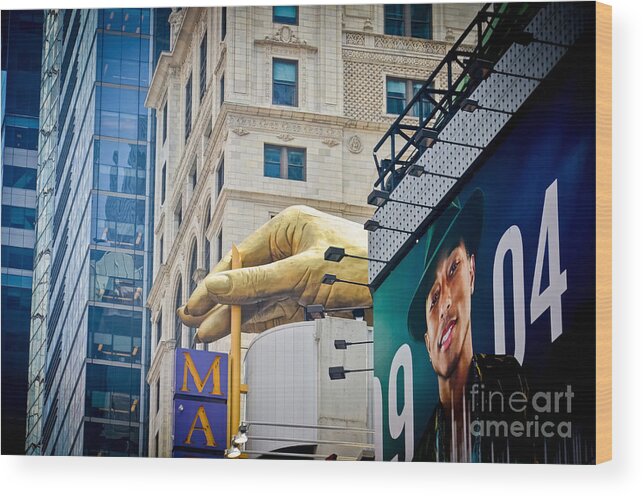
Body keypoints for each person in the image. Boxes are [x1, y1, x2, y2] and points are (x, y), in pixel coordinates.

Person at [407, 189, 532, 463]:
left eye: (454, 268)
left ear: (472, 272)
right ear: (428, 344)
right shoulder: (424, 450)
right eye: (434, 298)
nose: (447, 303)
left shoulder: (506, 379)